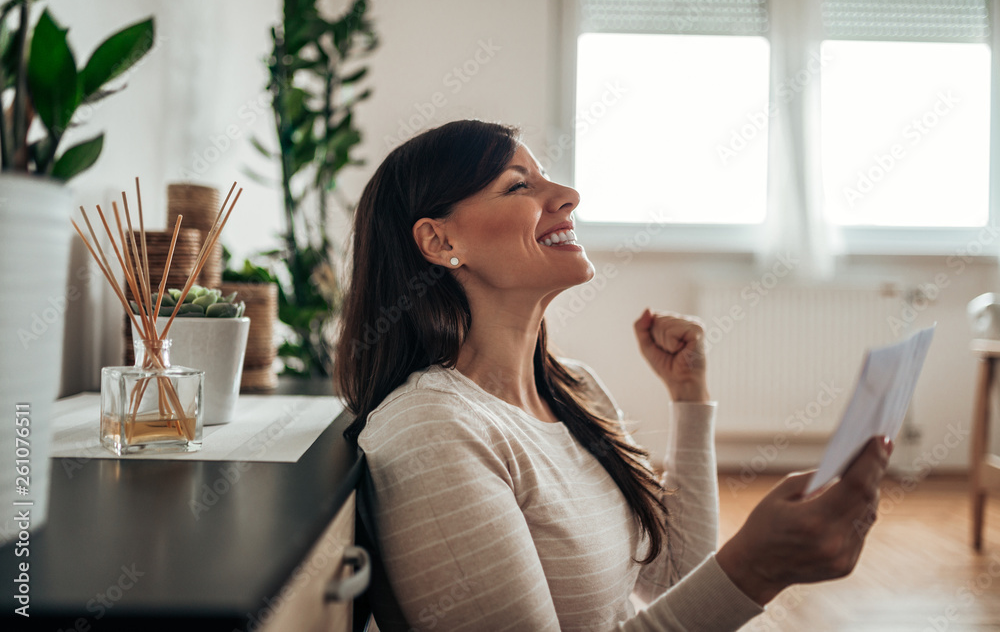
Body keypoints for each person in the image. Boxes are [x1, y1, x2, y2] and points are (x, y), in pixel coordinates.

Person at [335, 120, 890, 631]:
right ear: (440, 242)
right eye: (518, 185)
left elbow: (675, 574)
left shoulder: (573, 388)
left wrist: (689, 398)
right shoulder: (433, 428)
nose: (567, 196)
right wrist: (760, 568)